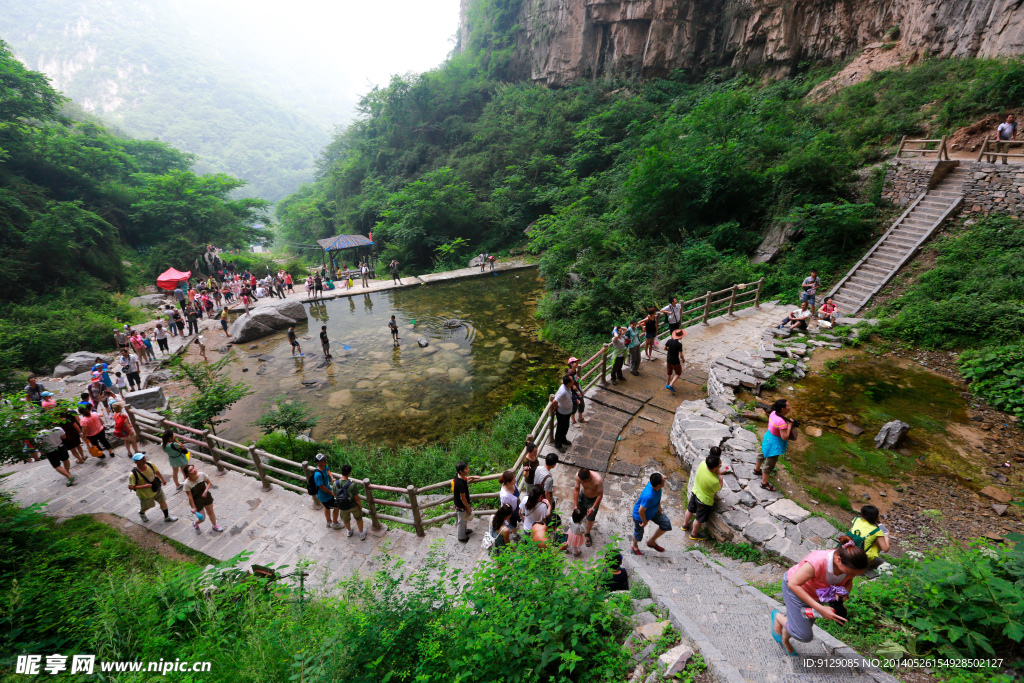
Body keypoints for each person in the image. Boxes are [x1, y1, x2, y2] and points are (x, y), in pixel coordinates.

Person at [772, 540, 868, 656]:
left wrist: (844, 594)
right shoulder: (817, 562)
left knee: (802, 625)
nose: (852, 576)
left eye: (856, 574)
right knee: (803, 635)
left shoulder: (847, 564)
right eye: (850, 572)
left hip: (818, 594)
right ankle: (778, 617)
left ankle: (785, 640)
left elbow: (848, 582)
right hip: (796, 590)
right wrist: (820, 609)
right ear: (838, 560)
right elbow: (793, 584)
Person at [684, 447, 724, 540]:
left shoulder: (702, 464)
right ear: (715, 467)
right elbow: (718, 489)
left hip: (695, 492)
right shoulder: (714, 481)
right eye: (719, 465)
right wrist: (721, 479)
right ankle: (694, 534)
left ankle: (685, 525)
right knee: (699, 518)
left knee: (690, 510)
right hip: (703, 500)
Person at [757, 399, 795, 492]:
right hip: (775, 444)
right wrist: (789, 426)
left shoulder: (773, 413)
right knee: (769, 464)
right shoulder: (781, 422)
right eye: (788, 406)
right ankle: (764, 483)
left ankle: (756, 470)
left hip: (768, 438)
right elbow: (785, 437)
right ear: (783, 409)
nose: (789, 407)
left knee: (762, 454)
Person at [129, 452, 178, 524]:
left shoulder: (150, 464)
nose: (143, 460)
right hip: (145, 494)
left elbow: (156, 471)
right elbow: (131, 486)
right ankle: (141, 513)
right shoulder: (133, 474)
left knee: (163, 501)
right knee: (148, 506)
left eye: (143, 457)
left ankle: (167, 517)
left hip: (156, 487)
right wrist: (144, 486)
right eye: (141, 459)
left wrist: (162, 479)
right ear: (136, 462)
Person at [631, 472, 671, 555]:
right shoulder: (648, 496)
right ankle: (634, 546)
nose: (664, 479)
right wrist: (644, 522)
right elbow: (641, 511)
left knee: (666, 524)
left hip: (653, 511)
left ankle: (651, 541)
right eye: (663, 480)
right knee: (639, 535)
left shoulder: (657, 487)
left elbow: (658, 497)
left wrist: (659, 507)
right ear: (659, 485)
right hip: (640, 517)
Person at [183, 463, 222, 533]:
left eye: (193, 468)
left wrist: (205, 491)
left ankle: (215, 525)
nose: (194, 470)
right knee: (202, 518)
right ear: (188, 474)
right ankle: (195, 523)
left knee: (211, 512)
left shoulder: (201, 475)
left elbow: (209, 483)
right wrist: (194, 507)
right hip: (197, 501)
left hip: (206, 497)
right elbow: (190, 497)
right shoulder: (186, 484)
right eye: (191, 470)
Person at [848, 505, 889, 569]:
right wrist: (886, 536)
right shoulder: (877, 531)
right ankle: (868, 563)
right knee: (877, 542)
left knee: (869, 538)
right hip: (859, 555)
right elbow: (885, 549)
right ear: (876, 517)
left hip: (848, 548)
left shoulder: (856, 520)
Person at [574, 467, 603, 547]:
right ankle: (577, 527)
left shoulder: (598, 480)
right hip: (583, 496)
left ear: (590, 477)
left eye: (585, 482)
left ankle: (587, 533)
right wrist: (575, 505)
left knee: (590, 517)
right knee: (579, 513)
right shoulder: (578, 476)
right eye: (582, 482)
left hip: (594, 499)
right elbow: (576, 489)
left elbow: (600, 495)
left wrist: (593, 508)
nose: (584, 483)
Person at [335, 464, 366, 539]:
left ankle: (349, 531)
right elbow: (356, 497)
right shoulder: (352, 485)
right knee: (358, 518)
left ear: (341, 471)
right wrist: (360, 505)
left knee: (346, 519)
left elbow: (334, 494)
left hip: (342, 506)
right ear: (349, 473)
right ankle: (361, 533)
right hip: (353, 505)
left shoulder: (335, 483)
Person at [453, 461, 480, 542]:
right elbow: (463, 498)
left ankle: (464, 531)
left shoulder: (458, 475)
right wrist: (468, 508)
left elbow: (464, 479)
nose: (468, 470)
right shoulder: (460, 484)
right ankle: (461, 537)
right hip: (461, 506)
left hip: (459, 504)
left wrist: (471, 477)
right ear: (461, 471)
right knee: (461, 522)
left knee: (463, 520)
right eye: (466, 469)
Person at [313, 453, 342, 529]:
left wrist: (332, 477)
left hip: (325, 494)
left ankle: (329, 522)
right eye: (322, 460)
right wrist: (330, 492)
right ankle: (335, 524)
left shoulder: (323, 467)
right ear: (318, 463)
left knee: (327, 507)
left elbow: (328, 470)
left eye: (324, 459)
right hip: (325, 495)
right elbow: (321, 486)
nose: (325, 461)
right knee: (337, 507)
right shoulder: (318, 474)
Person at [551, 376, 574, 450]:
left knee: (565, 427)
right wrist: (556, 406)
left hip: (567, 412)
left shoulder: (567, 387)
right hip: (562, 413)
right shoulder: (563, 392)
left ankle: (563, 440)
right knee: (560, 429)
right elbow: (554, 401)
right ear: (568, 383)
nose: (573, 381)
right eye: (572, 380)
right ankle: (558, 445)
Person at [534, 452, 558, 519]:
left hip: (536, 492)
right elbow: (547, 493)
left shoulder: (538, 468)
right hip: (542, 497)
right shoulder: (549, 479)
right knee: (550, 514)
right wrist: (549, 505)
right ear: (554, 464)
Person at [664, 328, 686, 393]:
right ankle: (671, 385)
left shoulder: (669, 341)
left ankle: (667, 384)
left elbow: (665, 348)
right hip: (675, 361)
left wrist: (670, 350)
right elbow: (680, 355)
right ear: (680, 337)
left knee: (669, 371)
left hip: (668, 359)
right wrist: (683, 359)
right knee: (678, 373)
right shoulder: (679, 345)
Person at [566, 359, 586, 425]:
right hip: (573, 393)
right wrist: (572, 387)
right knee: (574, 407)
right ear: (571, 364)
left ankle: (580, 418)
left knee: (581, 404)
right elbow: (567, 383)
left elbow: (576, 379)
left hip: (577, 391)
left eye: (577, 362)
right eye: (574, 362)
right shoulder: (569, 373)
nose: (576, 363)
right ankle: (573, 421)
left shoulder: (574, 371)